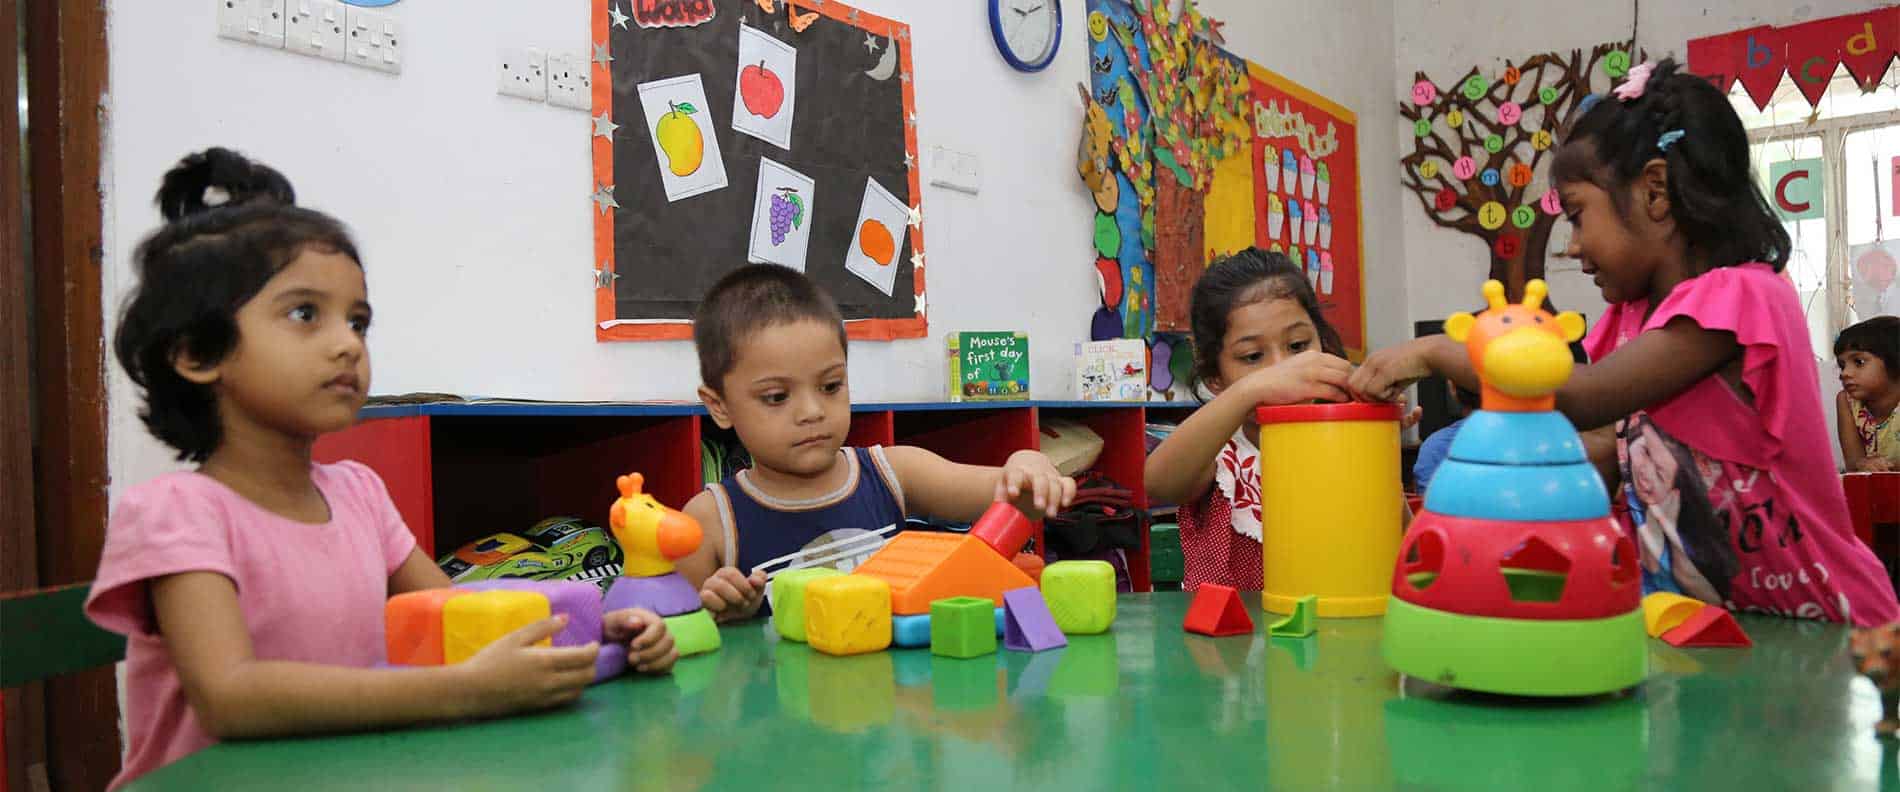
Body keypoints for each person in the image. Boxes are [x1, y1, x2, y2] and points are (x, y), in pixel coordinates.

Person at [85, 148, 675, 788]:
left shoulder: (360, 494)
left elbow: (457, 614)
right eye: (305, 313)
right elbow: (231, 697)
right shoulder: (177, 513)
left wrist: (594, 632)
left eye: (358, 321)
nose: (347, 343)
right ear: (198, 354)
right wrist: (462, 690)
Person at [1350, 61, 1899, 626]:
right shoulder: (1632, 321)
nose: (1572, 246)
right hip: (1708, 632)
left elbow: (1586, 396)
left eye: (1579, 216)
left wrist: (1435, 351)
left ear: (1655, 192)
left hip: (1828, 627)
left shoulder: (1743, 298)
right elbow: (1607, 454)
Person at [676, 264, 1076, 620]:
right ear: (720, 405)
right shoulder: (709, 523)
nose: (812, 410)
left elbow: (1012, 494)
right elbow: (673, 643)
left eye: (831, 385)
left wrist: (1029, 466)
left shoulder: (894, 472)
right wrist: (727, 619)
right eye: (777, 397)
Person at [1144, 248, 1413, 591]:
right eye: (1253, 356)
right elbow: (1159, 483)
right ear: (1215, 378)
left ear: (1322, 344)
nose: (1284, 369)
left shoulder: (1341, 444)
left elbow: (1404, 551)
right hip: (1233, 643)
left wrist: (1375, 448)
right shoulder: (1221, 454)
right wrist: (1253, 390)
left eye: (1298, 346)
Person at [1834, 315, 1900, 472]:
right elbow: (1853, 465)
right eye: (1842, 365)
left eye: (1859, 362)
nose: (1845, 373)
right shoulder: (1846, 402)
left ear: (1895, 361)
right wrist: (1862, 465)